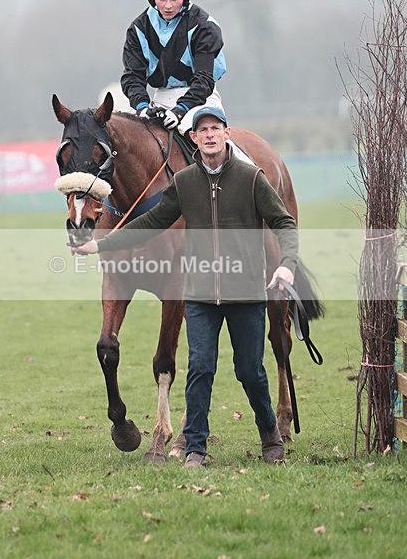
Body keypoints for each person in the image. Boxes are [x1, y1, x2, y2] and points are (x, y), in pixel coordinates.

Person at [71, 107, 299, 468]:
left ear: (225, 133)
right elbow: (151, 221)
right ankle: (195, 447)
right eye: (203, 130)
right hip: (201, 292)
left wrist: (286, 264)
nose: (209, 135)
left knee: (250, 371)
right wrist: (101, 245)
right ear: (194, 138)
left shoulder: (251, 177)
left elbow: (283, 222)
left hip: (243, 290)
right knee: (200, 368)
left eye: (215, 129)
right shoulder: (184, 182)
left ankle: (269, 433)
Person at [121, 0, 227, 134]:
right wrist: (142, 107)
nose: (168, 5)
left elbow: (204, 79)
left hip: (201, 98)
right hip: (160, 97)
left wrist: (180, 110)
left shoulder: (204, 26)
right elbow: (132, 76)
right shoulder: (138, 28)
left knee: (208, 138)